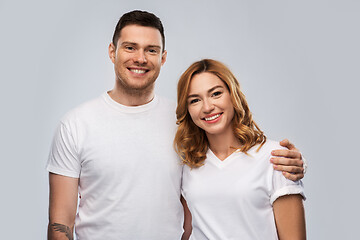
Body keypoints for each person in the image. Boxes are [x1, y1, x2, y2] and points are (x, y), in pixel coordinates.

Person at [47, 10, 306, 240]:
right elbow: (60, 221)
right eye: (130, 47)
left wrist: (293, 164)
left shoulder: (184, 120)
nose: (141, 58)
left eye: (151, 50)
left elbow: (233, 162)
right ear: (112, 52)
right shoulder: (76, 124)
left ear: (163, 57)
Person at [174, 59, 306, 240]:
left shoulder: (275, 158)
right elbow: (184, 232)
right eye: (195, 100)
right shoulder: (188, 166)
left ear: (232, 94)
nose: (207, 107)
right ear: (187, 109)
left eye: (216, 94)